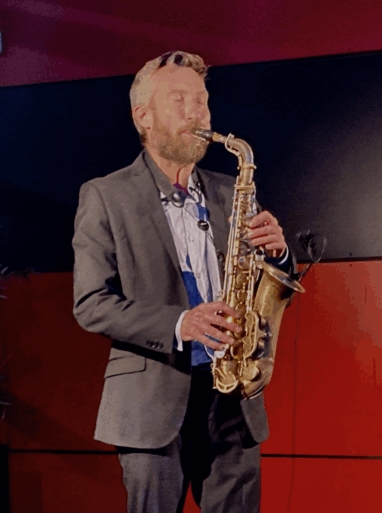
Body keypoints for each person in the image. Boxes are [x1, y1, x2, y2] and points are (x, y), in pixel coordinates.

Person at [73, 51, 294, 512]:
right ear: (143, 116)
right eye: (181, 100)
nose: (198, 113)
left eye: (202, 101)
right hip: (151, 403)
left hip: (234, 396)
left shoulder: (233, 191)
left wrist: (278, 254)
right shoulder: (104, 195)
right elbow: (91, 303)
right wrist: (181, 324)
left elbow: (263, 286)